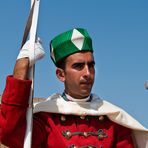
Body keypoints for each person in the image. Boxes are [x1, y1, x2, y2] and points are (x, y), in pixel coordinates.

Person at [0, 28, 148, 148]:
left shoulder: (115, 120)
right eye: (78, 66)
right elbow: (11, 136)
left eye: (91, 65)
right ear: (60, 75)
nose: (87, 73)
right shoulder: (46, 119)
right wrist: (22, 66)